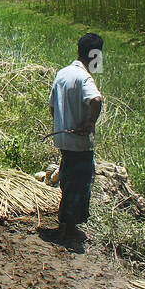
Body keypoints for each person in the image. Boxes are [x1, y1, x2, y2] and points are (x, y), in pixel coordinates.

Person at [49, 33, 104, 243]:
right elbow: (96, 99)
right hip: (79, 142)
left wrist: (61, 125)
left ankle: (65, 223)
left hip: (63, 138)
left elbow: (52, 106)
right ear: (94, 54)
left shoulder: (63, 73)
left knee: (67, 180)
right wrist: (91, 122)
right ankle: (70, 228)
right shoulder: (85, 77)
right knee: (79, 184)